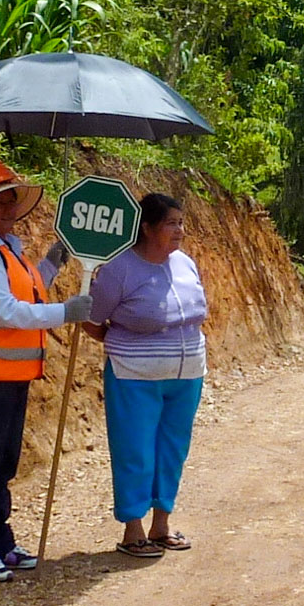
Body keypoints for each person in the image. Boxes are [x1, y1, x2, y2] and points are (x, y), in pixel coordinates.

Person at [0, 152, 93, 582]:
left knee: (4, 460)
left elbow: (30, 290)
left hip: (9, 375)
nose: (10, 208)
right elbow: (8, 312)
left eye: (12, 200)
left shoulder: (5, 250)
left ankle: (0, 538)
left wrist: (52, 262)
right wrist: (66, 313)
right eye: (0, 202)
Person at [83, 193, 207, 558]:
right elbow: (91, 319)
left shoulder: (185, 264)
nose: (179, 231)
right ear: (148, 228)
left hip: (187, 375)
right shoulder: (119, 269)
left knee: (172, 450)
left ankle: (161, 525)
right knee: (134, 450)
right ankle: (133, 529)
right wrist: (124, 346)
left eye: (181, 223)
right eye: (171, 223)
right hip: (133, 376)